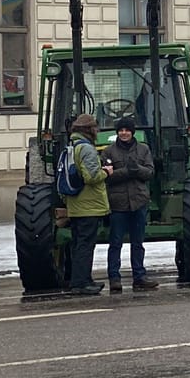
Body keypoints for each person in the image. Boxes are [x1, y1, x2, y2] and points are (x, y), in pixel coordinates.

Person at [103, 117, 158, 293]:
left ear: (132, 132)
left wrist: (138, 170)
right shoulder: (108, 152)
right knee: (116, 242)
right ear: (117, 132)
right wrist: (127, 172)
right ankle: (114, 278)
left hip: (139, 201)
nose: (124, 133)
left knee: (138, 242)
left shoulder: (143, 149)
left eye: (127, 130)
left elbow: (149, 173)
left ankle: (139, 277)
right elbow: (106, 176)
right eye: (121, 130)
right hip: (118, 203)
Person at [65, 113, 112, 295]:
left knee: (78, 244)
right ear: (89, 130)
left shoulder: (72, 145)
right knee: (85, 245)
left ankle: (82, 279)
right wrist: (106, 172)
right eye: (95, 128)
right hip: (89, 205)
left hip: (77, 204)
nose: (97, 131)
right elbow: (92, 177)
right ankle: (81, 283)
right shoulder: (87, 149)